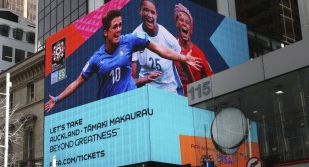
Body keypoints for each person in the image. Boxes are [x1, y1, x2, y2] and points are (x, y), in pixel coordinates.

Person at [45, 8, 202, 112]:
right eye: (115, 27)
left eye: (120, 25)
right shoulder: (97, 58)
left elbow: (160, 48)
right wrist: (57, 99)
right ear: (106, 32)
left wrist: (182, 57)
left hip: (131, 103)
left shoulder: (130, 41)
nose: (119, 30)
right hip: (109, 108)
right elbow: (77, 82)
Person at [132, 0, 191, 95]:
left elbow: (184, 62)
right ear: (140, 11)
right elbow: (132, 80)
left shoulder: (168, 38)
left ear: (157, 15)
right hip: (148, 91)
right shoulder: (135, 37)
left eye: (152, 12)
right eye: (145, 10)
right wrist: (146, 79)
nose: (149, 15)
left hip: (169, 89)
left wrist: (195, 85)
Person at [173, 3, 214, 97]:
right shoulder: (170, 45)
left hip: (194, 100)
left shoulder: (199, 54)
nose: (184, 24)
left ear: (191, 29)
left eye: (187, 22)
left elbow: (212, 78)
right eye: (181, 20)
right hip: (174, 98)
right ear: (176, 24)